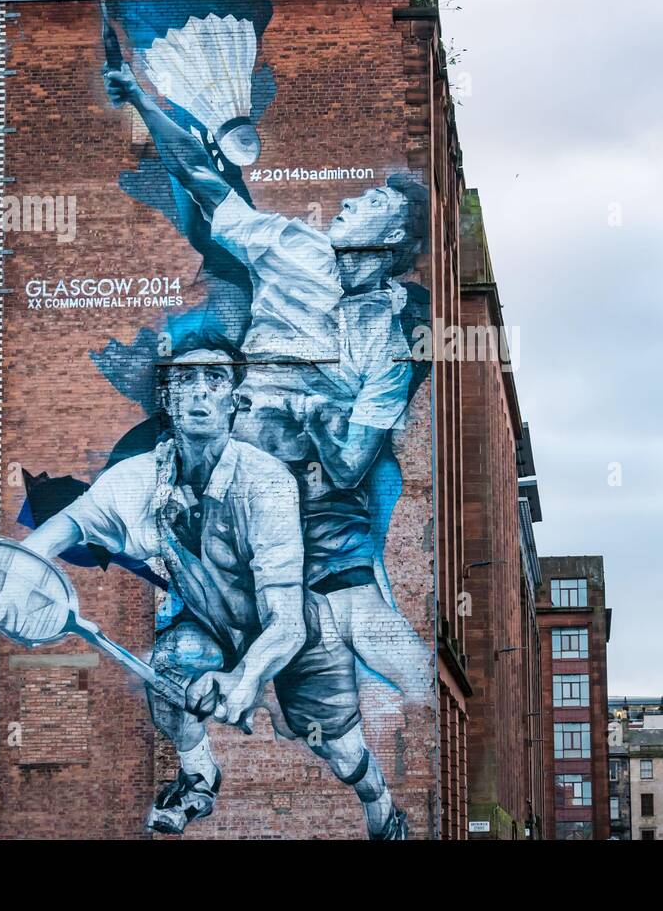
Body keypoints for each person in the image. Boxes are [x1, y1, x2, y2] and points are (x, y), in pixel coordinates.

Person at [104, 60, 434, 710]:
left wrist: (307, 405)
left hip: (316, 508)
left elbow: (346, 467)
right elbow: (201, 175)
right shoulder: (289, 246)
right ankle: (200, 766)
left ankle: (400, 732)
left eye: (370, 203)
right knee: (182, 654)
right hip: (227, 488)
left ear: (391, 237)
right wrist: (142, 101)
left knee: (376, 640)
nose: (348, 201)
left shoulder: (387, 345)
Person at [15, 349, 408, 838]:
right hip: (212, 625)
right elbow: (71, 522)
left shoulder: (267, 483)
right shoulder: (143, 478)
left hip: (299, 634)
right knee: (169, 672)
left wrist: (245, 679)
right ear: (168, 398)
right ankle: (199, 774)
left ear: (234, 402)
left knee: (342, 753)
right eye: (185, 379)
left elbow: (285, 620)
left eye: (215, 378)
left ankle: (383, 805)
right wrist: (16, 573)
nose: (200, 389)